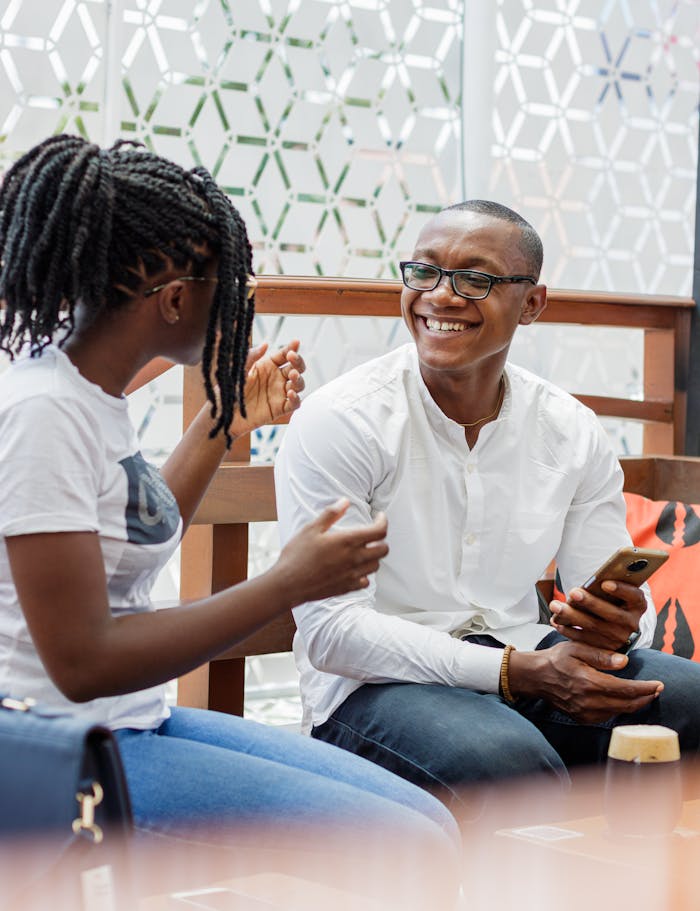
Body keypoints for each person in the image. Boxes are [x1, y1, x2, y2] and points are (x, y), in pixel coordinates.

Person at [0, 135, 460, 907]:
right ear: (175, 297)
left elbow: (147, 524)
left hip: (129, 723)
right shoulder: (42, 414)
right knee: (407, 845)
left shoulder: (87, 393)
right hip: (58, 755)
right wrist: (286, 581)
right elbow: (83, 660)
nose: (243, 300)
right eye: (233, 282)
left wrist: (225, 419)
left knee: (429, 825)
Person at [275, 199, 700, 818]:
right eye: (423, 273)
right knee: (507, 763)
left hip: (528, 656)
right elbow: (332, 633)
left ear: (532, 303)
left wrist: (611, 622)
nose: (440, 297)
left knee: (687, 701)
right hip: (378, 687)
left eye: (474, 279)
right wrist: (515, 672)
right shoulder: (345, 420)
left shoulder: (570, 429)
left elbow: (594, 604)